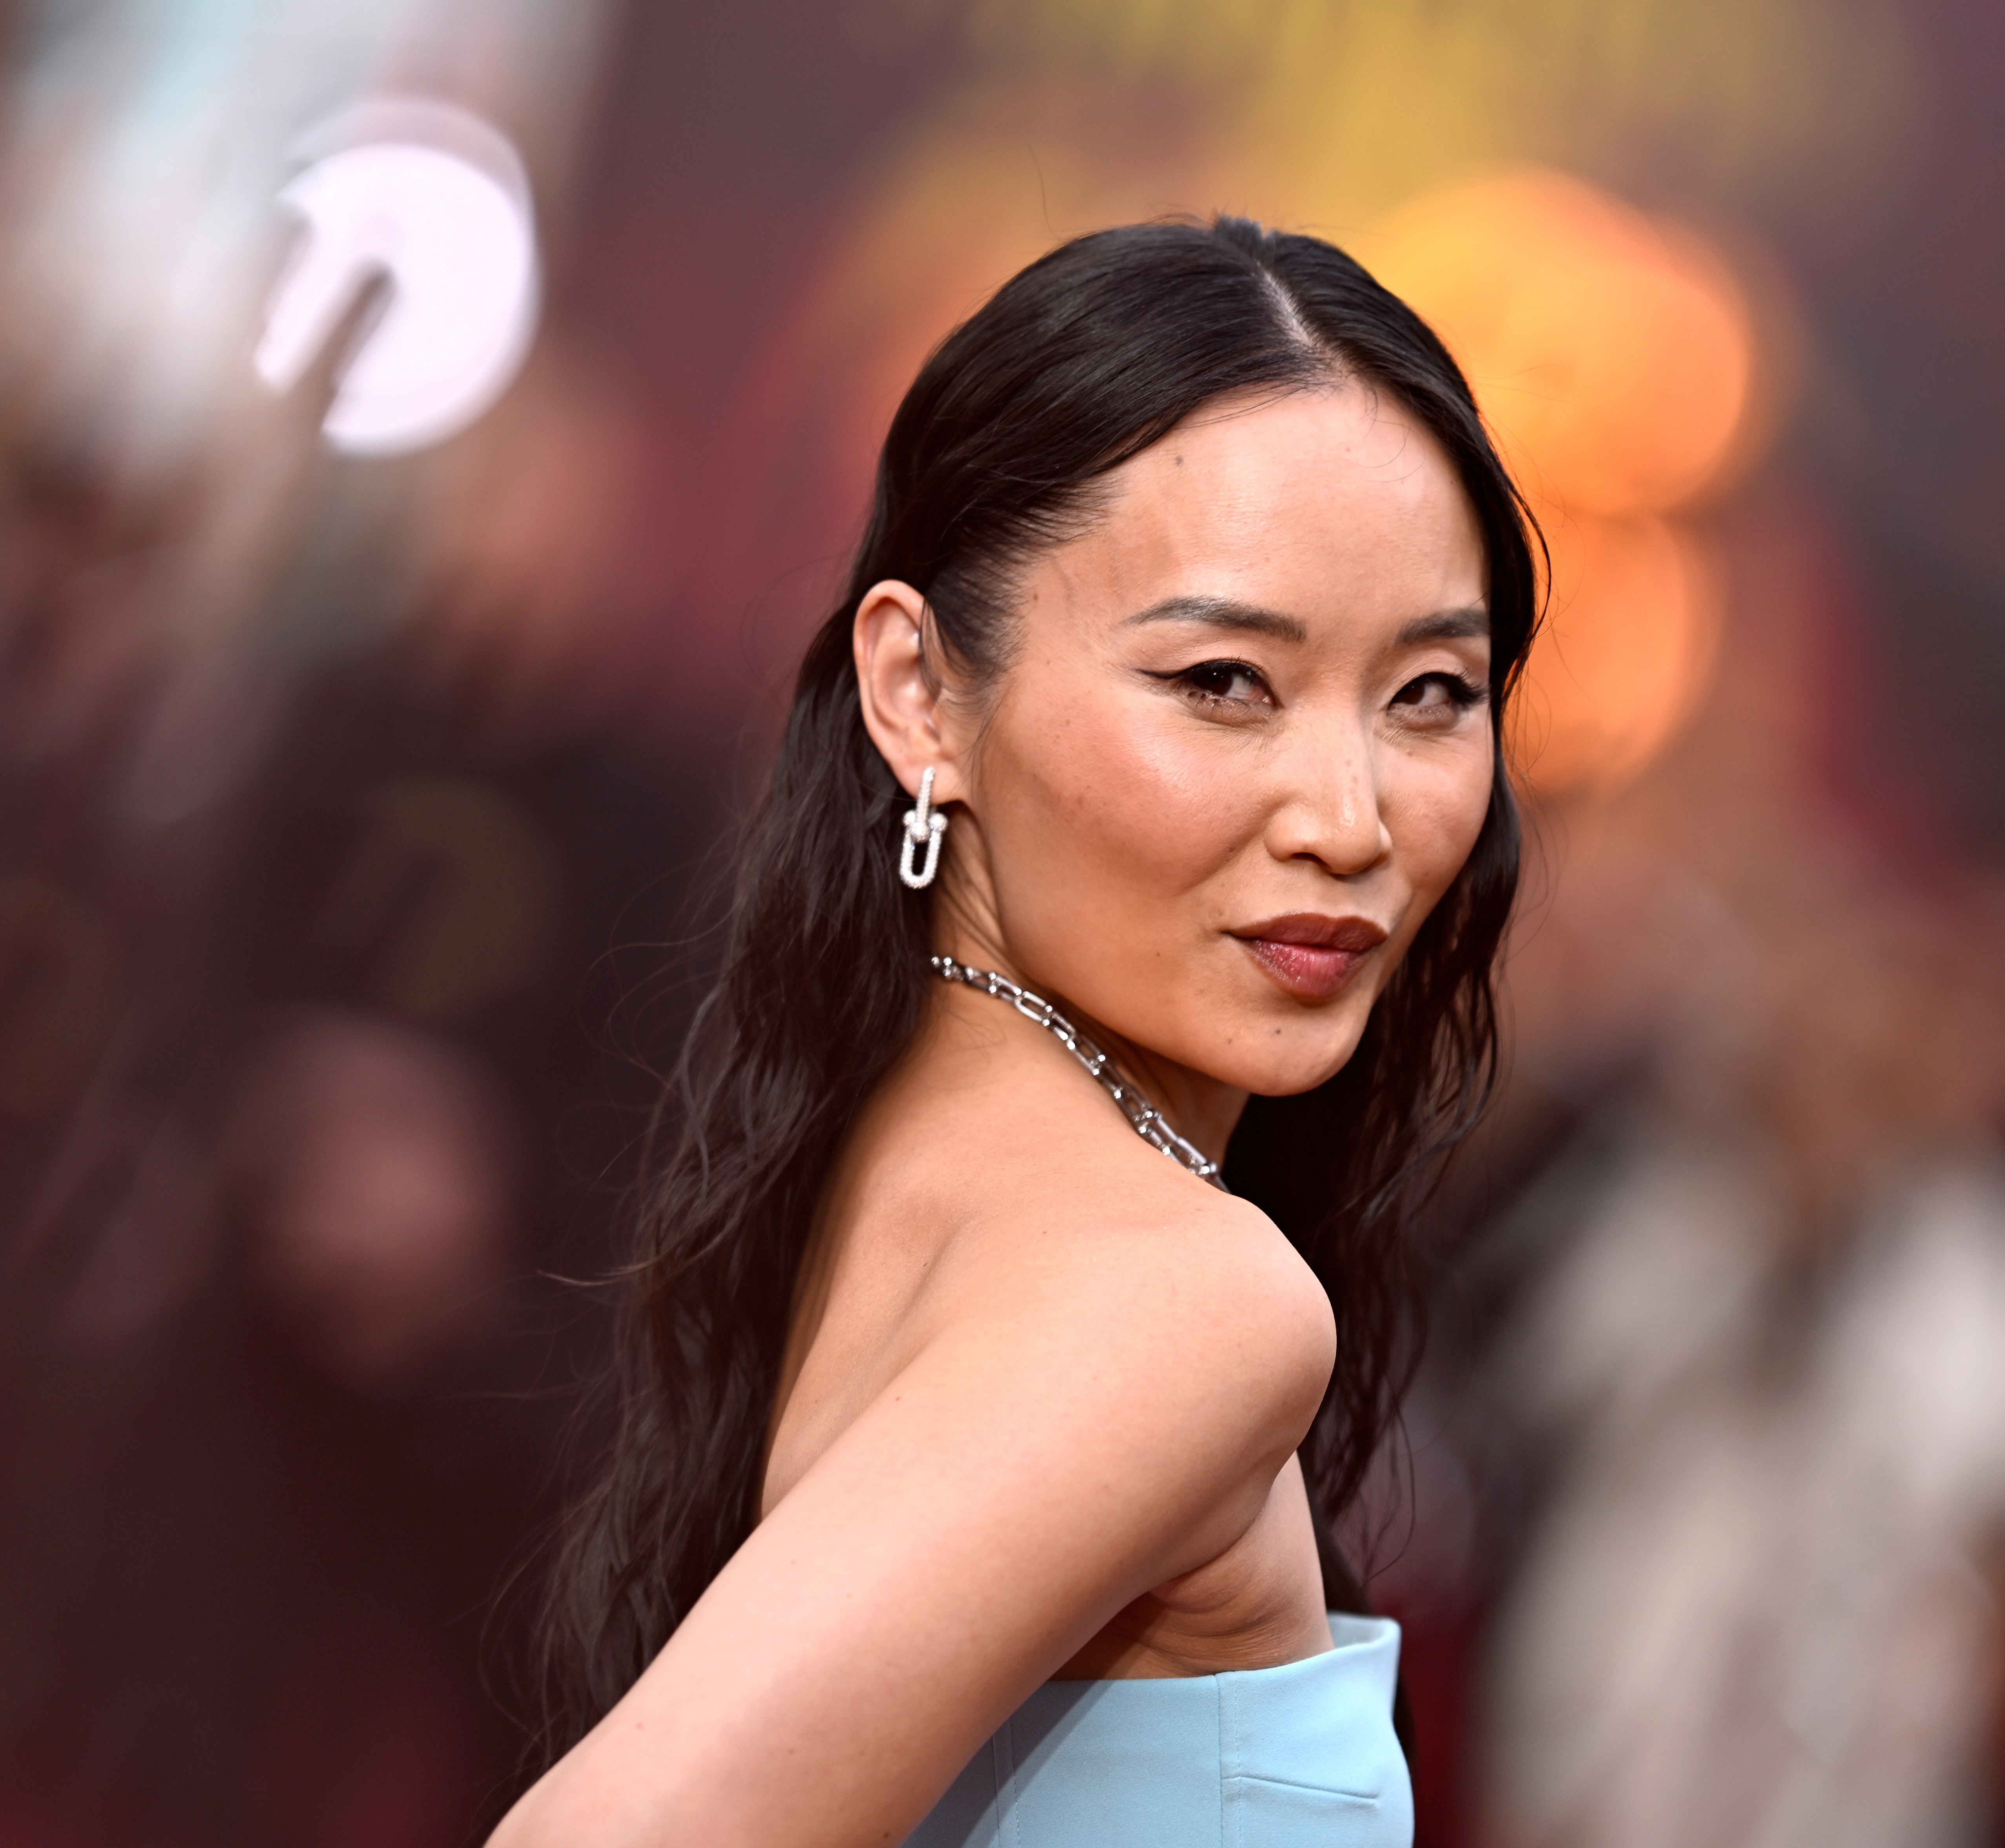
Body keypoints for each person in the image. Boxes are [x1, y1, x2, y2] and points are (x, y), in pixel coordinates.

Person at [490, 216, 1539, 1848]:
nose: (1351, 819)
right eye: (1222, 680)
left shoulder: (898, 1147)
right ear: (918, 690)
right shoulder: (1179, 1292)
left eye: (1429, 694)